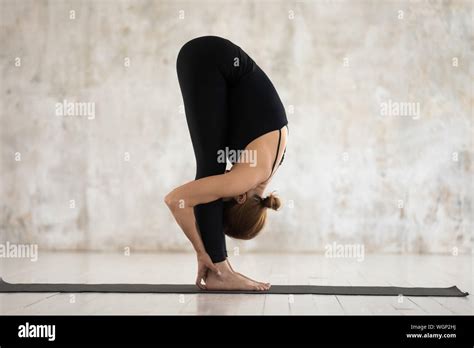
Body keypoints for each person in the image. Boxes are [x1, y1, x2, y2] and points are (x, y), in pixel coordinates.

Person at [165, 35, 288, 291]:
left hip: (211, 58)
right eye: (224, 197)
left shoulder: (270, 165)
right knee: (210, 169)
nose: (223, 189)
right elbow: (176, 200)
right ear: (240, 198)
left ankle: (220, 270)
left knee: (212, 167)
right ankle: (219, 271)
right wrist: (202, 252)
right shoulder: (244, 179)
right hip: (207, 59)